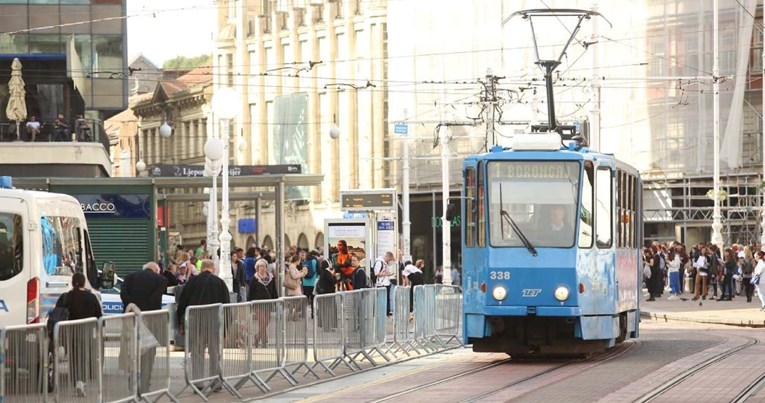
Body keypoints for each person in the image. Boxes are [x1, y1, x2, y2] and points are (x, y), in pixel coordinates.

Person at [176, 259, 230, 391]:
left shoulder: (192, 282)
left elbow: (183, 302)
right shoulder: (220, 282)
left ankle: (198, 383)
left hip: (196, 321)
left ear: (201, 269)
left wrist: (180, 322)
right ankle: (216, 382)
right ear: (213, 269)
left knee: (197, 352)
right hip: (214, 322)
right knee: (215, 352)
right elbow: (227, 306)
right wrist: (225, 329)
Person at [120, 262, 167, 394]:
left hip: (132, 319)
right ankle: (145, 384)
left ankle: (132, 380)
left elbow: (123, 294)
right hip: (151, 320)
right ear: (156, 270)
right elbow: (155, 298)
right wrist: (146, 309)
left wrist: (133, 306)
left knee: (132, 351)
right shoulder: (161, 280)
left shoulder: (129, 277)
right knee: (149, 354)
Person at [54, 272, 102, 397]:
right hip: (86, 330)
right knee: (84, 357)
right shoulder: (91, 297)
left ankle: (77, 382)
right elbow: (99, 314)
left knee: (73, 358)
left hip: (70, 331)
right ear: (84, 283)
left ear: (72, 282)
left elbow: (57, 313)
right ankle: (82, 382)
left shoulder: (65, 297)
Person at [247, 258, 277, 347]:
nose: (262, 268)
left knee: (266, 322)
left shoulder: (271, 278)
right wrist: (249, 304)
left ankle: (257, 337)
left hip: (268, 303)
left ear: (266, 267)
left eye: (263, 266)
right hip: (258, 304)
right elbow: (250, 292)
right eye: (260, 266)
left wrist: (276, 302)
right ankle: (264, 341)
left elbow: (274, 291)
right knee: (262, 322)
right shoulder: (254, 279)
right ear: (257, 268)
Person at [373, 251, 395, 316]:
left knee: (387, 298)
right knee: (382, 298)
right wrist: (387, 274)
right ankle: (382, 312)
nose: (389, 261)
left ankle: (386, 312)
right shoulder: (379, 262)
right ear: (387, 257)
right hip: (381, 283)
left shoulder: (384, 262)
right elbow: (376, 273)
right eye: (389, 259)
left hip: (386, 283)